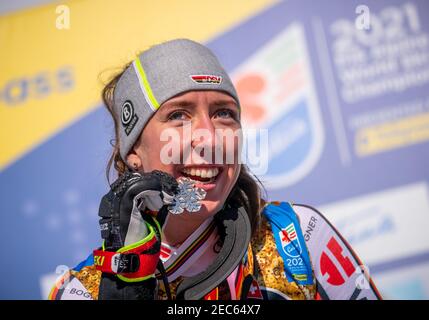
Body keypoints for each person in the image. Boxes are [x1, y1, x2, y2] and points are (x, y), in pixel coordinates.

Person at [49, 39, 381, 300]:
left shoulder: (296, 236)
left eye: (224, 113)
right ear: (134, 149)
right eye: (178, 115)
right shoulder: (82, 291)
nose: (209, 137)